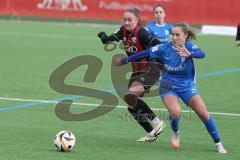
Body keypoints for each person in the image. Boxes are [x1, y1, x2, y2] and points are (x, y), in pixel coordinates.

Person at [113, 22, 227, 153]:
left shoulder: (189, 47)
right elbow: (144, 53)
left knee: (203, 114)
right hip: (168, 86)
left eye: (177, 34)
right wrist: (125, 61)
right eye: (173, 34)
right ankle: (175, 133)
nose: (174, 37)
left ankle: (218, 143)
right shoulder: (164, 48)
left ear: (185, 36)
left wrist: (189, 54)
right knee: (175, 112)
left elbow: (202, 54)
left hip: (186, 86)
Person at [97, 8, 165, 142]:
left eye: (130, 20)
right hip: (137, 71)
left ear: (137, 20)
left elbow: (159, 46)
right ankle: (151, 133)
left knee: (130, 96)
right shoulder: (123, 30)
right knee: (131, 104)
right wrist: (104, 38)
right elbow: (110, 39)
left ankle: (157, 122)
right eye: (125, 20)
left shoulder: (142, 33)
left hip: (150, 69)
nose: (127, 23)